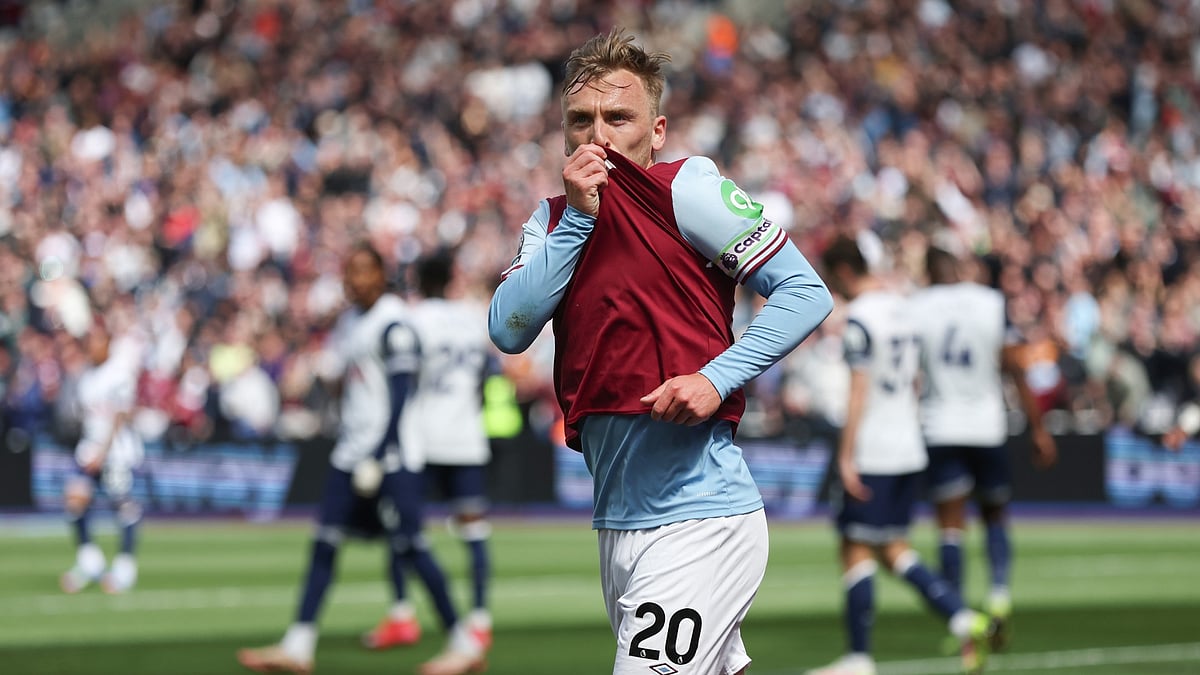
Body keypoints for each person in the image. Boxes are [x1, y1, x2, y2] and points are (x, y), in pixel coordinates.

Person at [488, 29, 833, 675]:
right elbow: (509, 328)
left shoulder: (690, 191)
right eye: (581, 120)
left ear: (658, 129)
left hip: (698, 520)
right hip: (618, 523)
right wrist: (581, 222)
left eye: (619, 117)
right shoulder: (551, 220)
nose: (599, 135)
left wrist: (715, 376)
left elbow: (804, 291)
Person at [237, 243, 486, 675]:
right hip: (350, 451)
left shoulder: (394, 324)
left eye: (364, 271)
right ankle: (299, 644)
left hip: (390, 456)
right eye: (349, 271)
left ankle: (462, 642)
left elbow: (402, 392)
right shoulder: (352, 322)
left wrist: (380, 451)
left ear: (381, 275)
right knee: (324, 542)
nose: (354, 280)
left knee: (411, 545)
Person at [807, 237, 993, 675]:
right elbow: (916, 380)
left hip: (874, 448)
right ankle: (964, 618)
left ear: (845, 273)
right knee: (893, 548)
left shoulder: (860, 320)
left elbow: (858, 393)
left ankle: (858, 657)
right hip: (908, 444)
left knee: (855, 548)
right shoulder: (905, 310)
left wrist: (846, 455)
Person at [908, 245, 1058, 649]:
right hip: (986, 425)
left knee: (950, 524)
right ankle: (999, 596)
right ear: (958, 267)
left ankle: (960, 618)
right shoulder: (990, 301)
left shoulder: (919, 306)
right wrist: (1038, 428)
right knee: (994, 513)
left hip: (939, 425)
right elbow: (1015, 366)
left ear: (928, 271)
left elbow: (908, 373)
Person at [362, 252, 495, 652]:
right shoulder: (472, 319)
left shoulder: (414, 319)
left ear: (417, 281)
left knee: (404, 528)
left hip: (422, 437)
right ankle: (480, 620)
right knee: (473, 532)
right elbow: (486, 375)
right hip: (467, 437)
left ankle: (402, 614)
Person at [59, 320, 145, 595]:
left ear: (107, 343)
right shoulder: (86, 376)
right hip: (89, 447)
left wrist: (103, 452)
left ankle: (124, 568)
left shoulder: (119, 373)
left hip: (116, 452)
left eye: (95, 342)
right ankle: (90, 562)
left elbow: (120, 415)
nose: (90, 348)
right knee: (75, 501)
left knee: (124, 508)